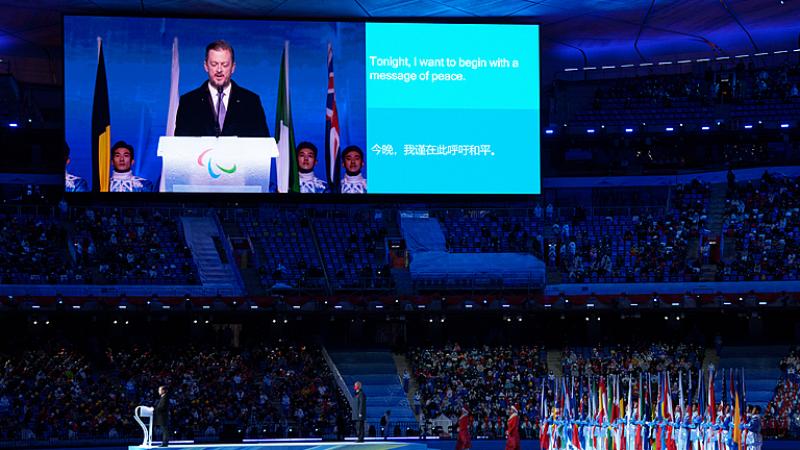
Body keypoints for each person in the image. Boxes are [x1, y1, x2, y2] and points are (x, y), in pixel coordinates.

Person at [174, 40, 269, 138]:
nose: (219, 70)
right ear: (206, 66)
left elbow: (262, 144)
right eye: (214, 64)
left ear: (233, 67)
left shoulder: (251, 102)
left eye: (225, 65)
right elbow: (181, 145)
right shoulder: (188, 103)